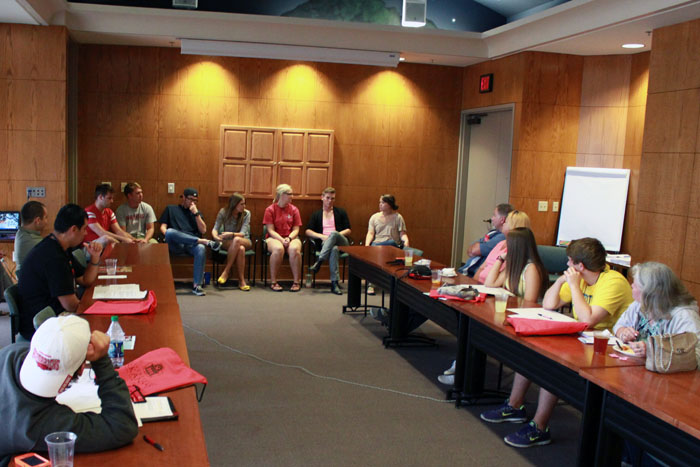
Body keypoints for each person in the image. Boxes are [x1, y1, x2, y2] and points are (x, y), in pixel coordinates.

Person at [480, 237, 632, 448]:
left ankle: (539, 428)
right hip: (585, 341)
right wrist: (562, 281)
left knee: (553, 366)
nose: (567, 265)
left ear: (580, 266)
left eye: (570, 262)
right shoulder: (578, 279)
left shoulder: (613, 282)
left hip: (609, 350)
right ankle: (515, 406)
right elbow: (550, 304)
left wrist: (573, 285)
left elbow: (588, 320)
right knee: (533, 351)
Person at [0, 315, 138, 464]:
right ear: (81, 369)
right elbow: (121, 426)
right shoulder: (38, 424)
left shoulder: (11, 352)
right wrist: (101, 360)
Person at [18, 204, 103, 341]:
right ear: (73, 229)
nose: (86, 233)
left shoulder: (60, 247)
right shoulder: (53, 257)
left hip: (55, 316)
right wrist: (100, 305)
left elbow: (85, 280)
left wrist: (95, 257)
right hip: (42, 326)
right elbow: (71, 305)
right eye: (84, 229)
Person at [614, 261, 700, 366]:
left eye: (636, 284)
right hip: (636, 368)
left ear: (649, 292)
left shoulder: (684, 316)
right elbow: (618, 326)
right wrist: (623, 332)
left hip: (669, 378)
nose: (631, 286)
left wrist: (652, 351)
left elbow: (695, 355)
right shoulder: (639, 304)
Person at [159, 187, 221, 297]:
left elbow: (203, 230)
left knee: (201, 248)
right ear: (183, 197)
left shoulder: (196, 213)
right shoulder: (170, 209)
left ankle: (197, 285)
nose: (192, 202)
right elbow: (163, 228)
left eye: (195, 200)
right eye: (190, 199)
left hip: (191, 245)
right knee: (169, 232)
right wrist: (172, 236)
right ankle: (205, 241)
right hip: (175, 243)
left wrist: (196, 214)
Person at [306, 187, 352, 296]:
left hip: (342, 243)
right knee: (334, 250)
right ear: (322, 198)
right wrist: (321, 236)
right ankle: (334, 283)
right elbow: (308, 231)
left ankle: (320, 261)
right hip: (326, 244)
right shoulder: (317, 214)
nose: (330, 201)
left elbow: (348, 230)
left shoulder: (340, 212)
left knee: (334, 234)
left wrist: (334, 236)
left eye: (332, 198)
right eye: (327, 198)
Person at [483, 227, 548, 301]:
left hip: (524, 310)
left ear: (515, 247)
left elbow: (530, 302)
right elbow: (490, 283)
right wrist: (500, 259)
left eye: (508, 243)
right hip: (513, 307)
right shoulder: (514, 265)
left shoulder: (531, 269)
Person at [365, 194, 409, 295]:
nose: (380, 204)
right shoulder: (374, 217)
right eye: (380, 202)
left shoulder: (398, 217)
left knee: (390, 243)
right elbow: (370, 233)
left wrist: (406, 241)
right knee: (374, 249)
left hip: (392, 246)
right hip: (377, 245)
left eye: (383, 202)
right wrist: (367, 245)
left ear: (390, 204)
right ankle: (371, 284)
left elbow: (402, 234)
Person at [263, 184, 302, 292]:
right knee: (278, 249)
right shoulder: (270, 209)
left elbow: (296, 230)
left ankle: (296, 282)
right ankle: (274, 281)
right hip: (274, 238)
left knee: (294, 249)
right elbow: (270, 230)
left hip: (291, 237)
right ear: (281, 195)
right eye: (289, 194)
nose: (292, 196)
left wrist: (288, 239)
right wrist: (281, 240)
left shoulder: (294, 210)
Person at [474, 210, 530, 285]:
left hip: (492, 288)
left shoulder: (515, 249)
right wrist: (473, 284)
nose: (503, 224)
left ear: (514, 226)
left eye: (506, 222)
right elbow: (482, 267)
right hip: (479, 285)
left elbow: (498, 281)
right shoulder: (500, 243)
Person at [458, 203, 513, 277]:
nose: (492, 218)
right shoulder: (493, 232)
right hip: (465, 271)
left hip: (472, 274)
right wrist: (480, 245)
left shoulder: (502, 238)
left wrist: (480, 245)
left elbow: (474, 251)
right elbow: (470, 249)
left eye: (494, 215)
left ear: (502, 220)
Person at [212, 193, 252, 290]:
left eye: (244, 204)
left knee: (238, 240)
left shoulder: (246, 213)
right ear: (234, 204)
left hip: (244, 240)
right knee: (241, 249)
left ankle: (226, 271)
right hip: (228, 242)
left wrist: (231, 234)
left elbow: (242, 234)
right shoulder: (223, 212)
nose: (244, 206)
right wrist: (216, 237)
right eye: (241, 204)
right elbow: (215, 228)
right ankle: (241, 281)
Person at [13, 201, 48, 271]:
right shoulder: (34, 241)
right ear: (38, 220)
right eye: (46, 217)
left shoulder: (21, 233)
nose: (47, 221)